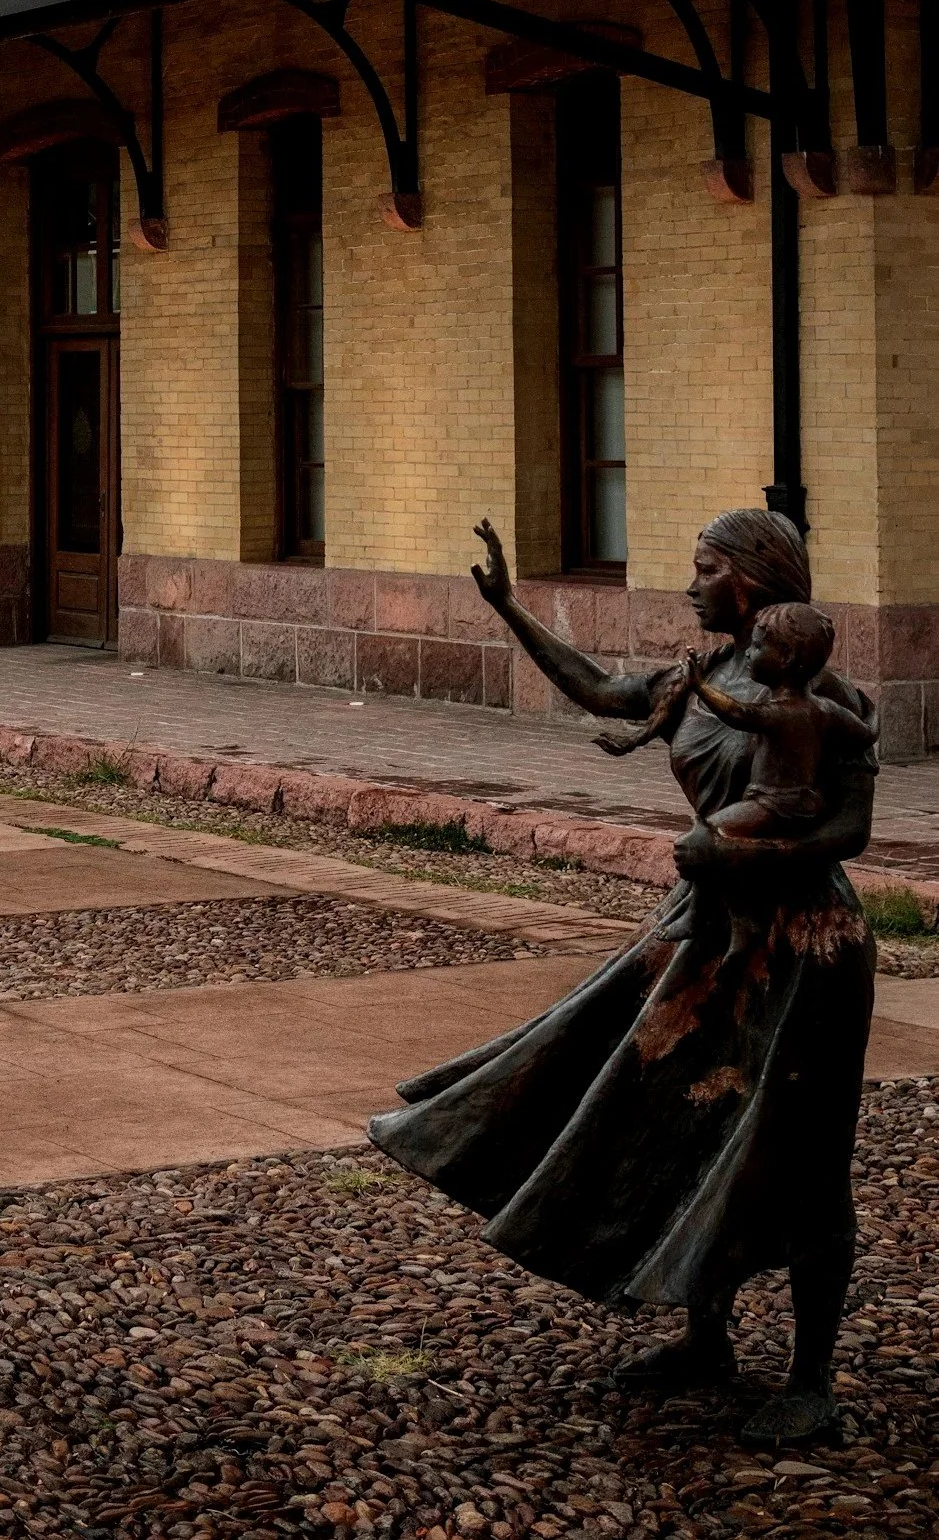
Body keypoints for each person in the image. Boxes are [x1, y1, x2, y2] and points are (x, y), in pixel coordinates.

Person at [368, 509, 878, 1449]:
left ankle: (811, 1379)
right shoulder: (696, 679)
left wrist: (741, 855)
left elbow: (849, 830)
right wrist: (509, 607)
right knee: (678, 1122)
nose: (689, 585)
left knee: (803, 1155)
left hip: (804, 945)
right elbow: (600, 688)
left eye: (704, 568)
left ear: (751, 580)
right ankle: (704, 1335)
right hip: (705, 929)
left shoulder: (819, 693)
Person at [686, 602, 864, 840]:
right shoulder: (825, 709)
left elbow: (736, 712)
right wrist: (870, 713)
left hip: (772, 805)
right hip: (802, 802)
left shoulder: (779, 712)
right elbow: (864, 732)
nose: (748, 652)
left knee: (706, 833)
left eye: (758, 646)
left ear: (786, 657)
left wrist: (700, 687)